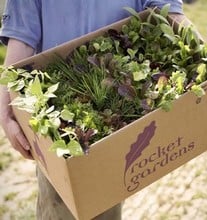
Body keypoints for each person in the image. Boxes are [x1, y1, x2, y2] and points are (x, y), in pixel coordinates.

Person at [0, 1, 188, 219]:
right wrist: (6, 108)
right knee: (60, 206)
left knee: (105, 204)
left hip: (118, 115)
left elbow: (169, 14)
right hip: (55, 116)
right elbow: (21, 38)